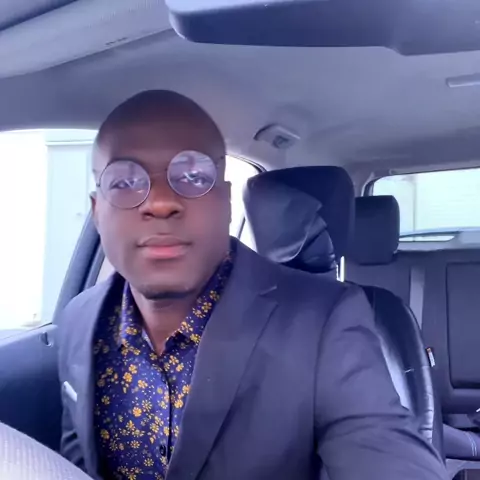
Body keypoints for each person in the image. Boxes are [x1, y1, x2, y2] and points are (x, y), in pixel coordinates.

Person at [58, 89, 448, 480]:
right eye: (124, 182)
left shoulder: (324, 322)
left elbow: (382, 449)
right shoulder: (78, 321)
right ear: (97, 211)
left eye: (193, 176)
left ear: (226, 202)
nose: (160, 203)